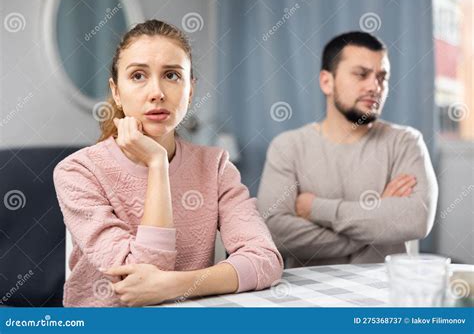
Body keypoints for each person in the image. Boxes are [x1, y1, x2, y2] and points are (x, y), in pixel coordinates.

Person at [53, 19, 283, 307]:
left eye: (172, 75)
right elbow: (137, 284)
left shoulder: (216, 166)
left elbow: (265, 260)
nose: (156, 92)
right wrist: (158, 164)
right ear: (115, 92)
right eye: (138, 76)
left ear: (190, 90)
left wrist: (175, 285)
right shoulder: (78, 172)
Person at [257, 31, 438, 268]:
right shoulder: (288, 146)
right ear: (326, 81)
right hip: (307, 294)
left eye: (382, 77)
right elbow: (275, 232)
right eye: (361, 74)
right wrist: (376, 221)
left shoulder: (406, 141)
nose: (375, 86)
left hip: (384, 295)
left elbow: (416, 219)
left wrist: (316, 208)